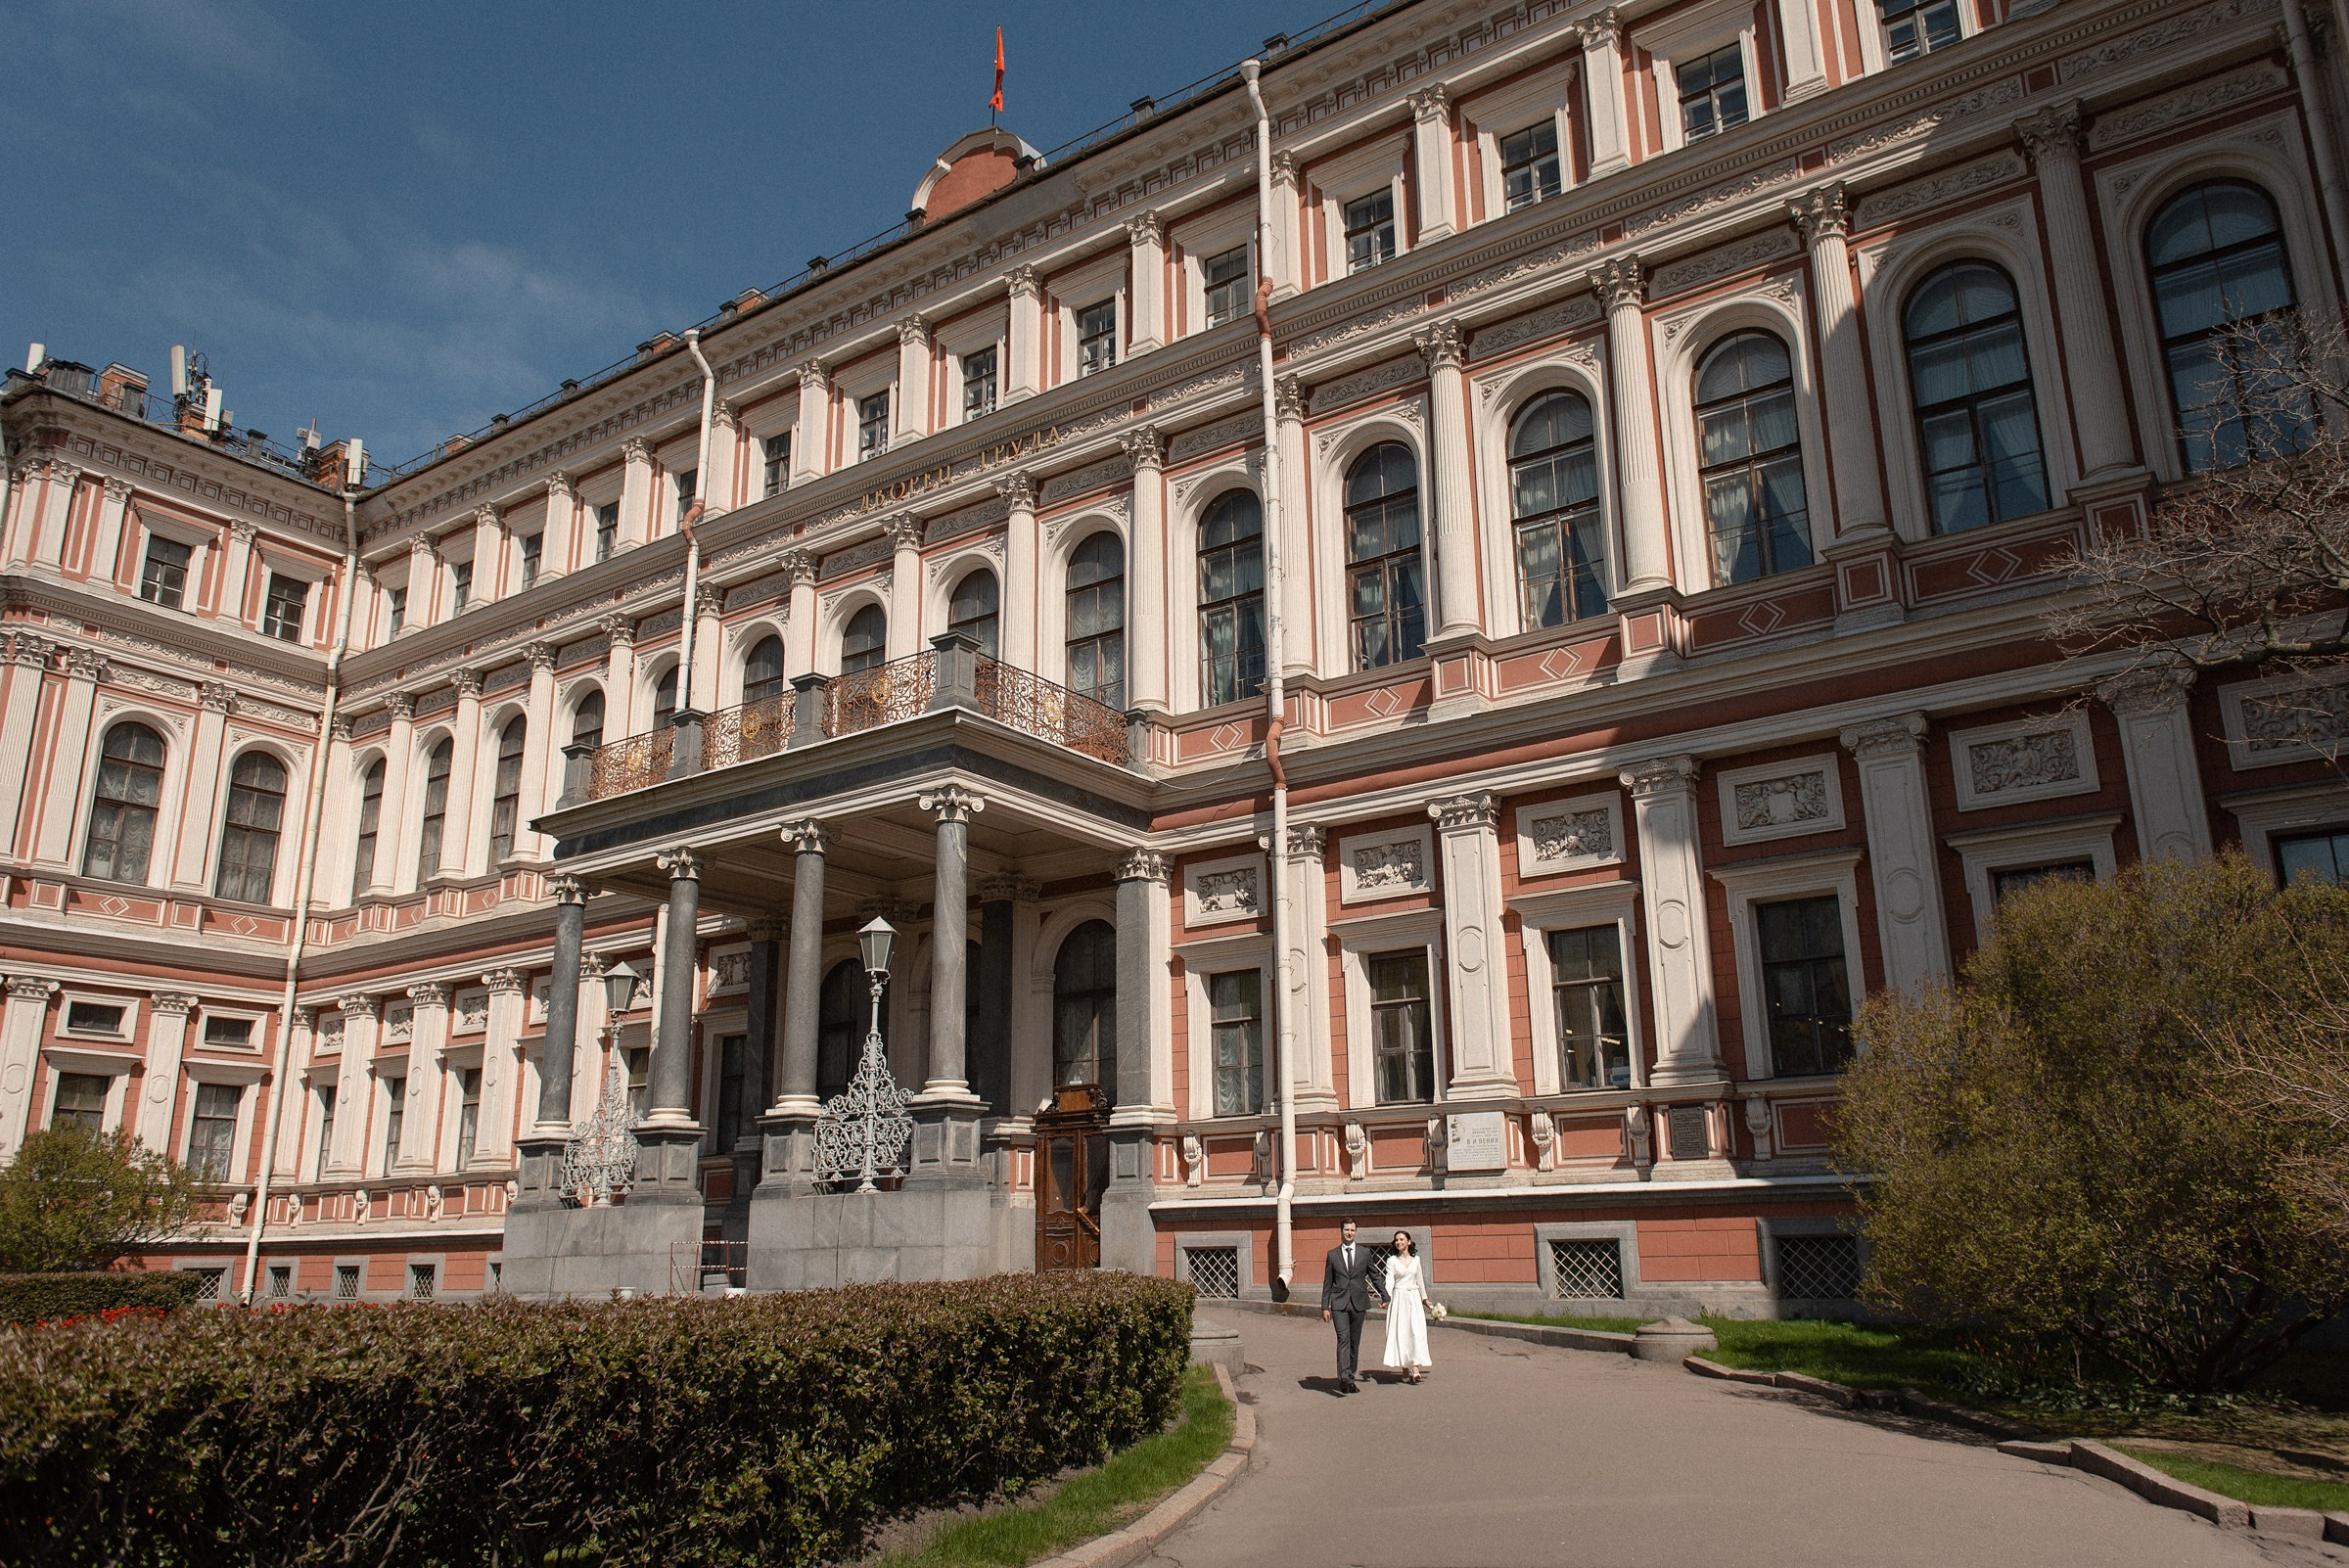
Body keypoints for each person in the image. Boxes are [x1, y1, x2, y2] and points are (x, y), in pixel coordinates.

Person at [1319, 1219, 1375, 1392]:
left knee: (1354, 1342)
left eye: (1352, 1230)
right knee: (1343, 1339)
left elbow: (1374, 1275)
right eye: (1346, 1230)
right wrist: (1325, 1307)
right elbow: (1327, 1282)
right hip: (1339, 1304)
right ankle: (1343, 1377)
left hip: (1359, 1303)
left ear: (1356, 1232)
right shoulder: (1333, 1254)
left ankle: (1350, 1378)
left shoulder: (1365, 1253)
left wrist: (1385, 1295)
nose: (1349, 1233)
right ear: (1341, 1232)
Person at [1381, 1230, 1431, 1382]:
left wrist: (1425, 1299)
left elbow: (1420, 1281)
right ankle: (1404, 1367)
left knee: (1416, 1331)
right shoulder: (1392, 1261)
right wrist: (1386, 1298)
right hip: (1399, 1299)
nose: (1399, 1242)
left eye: (1402, 1239)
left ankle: (1415, 1367)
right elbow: (1389, 1280)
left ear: (1409, 1242)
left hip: (1414, 1298)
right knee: (1402, 1332)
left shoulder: (1416, 1260)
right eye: (1396, 1240)